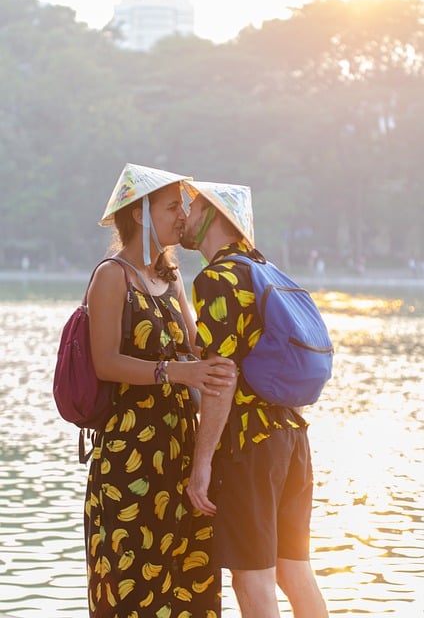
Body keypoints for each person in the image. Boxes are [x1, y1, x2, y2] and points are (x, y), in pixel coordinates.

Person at [84, 163, 236, 618]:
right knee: (135, 589)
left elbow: (196, 348)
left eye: (185, 207)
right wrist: (175, 373)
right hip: (130, 458)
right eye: (172, 206)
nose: (183, 216)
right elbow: (104, 362)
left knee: (191, 586)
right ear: (139, 214)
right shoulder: (112, 276)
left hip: (179, 454)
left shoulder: (171, 279)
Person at [180, 180, 329, 618]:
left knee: (252, 578)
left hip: (250, 445)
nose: (184, 218)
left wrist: (202, 461)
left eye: (191, 208)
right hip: (291, 438)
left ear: (211, 215)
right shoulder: (266, 270)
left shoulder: (217, 278)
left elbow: (221, 378)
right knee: (294, 572)